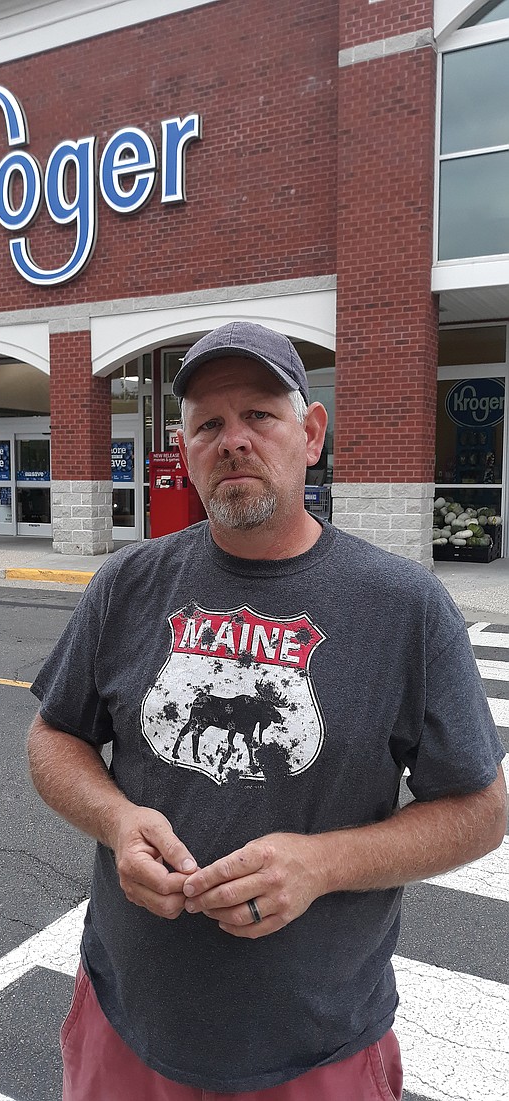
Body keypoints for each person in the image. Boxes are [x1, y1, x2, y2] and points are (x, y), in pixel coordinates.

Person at [28, 321, 506, 1101]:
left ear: (311, 433)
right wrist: (116, 820)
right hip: (127, 1026)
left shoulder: (406, 608)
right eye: (209, 424)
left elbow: (482, 810)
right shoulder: (127, 584)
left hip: (317, 1049)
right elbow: (53, 736)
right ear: (185, 451)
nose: (234, 440)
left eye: (259, 415)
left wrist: (324, 864)